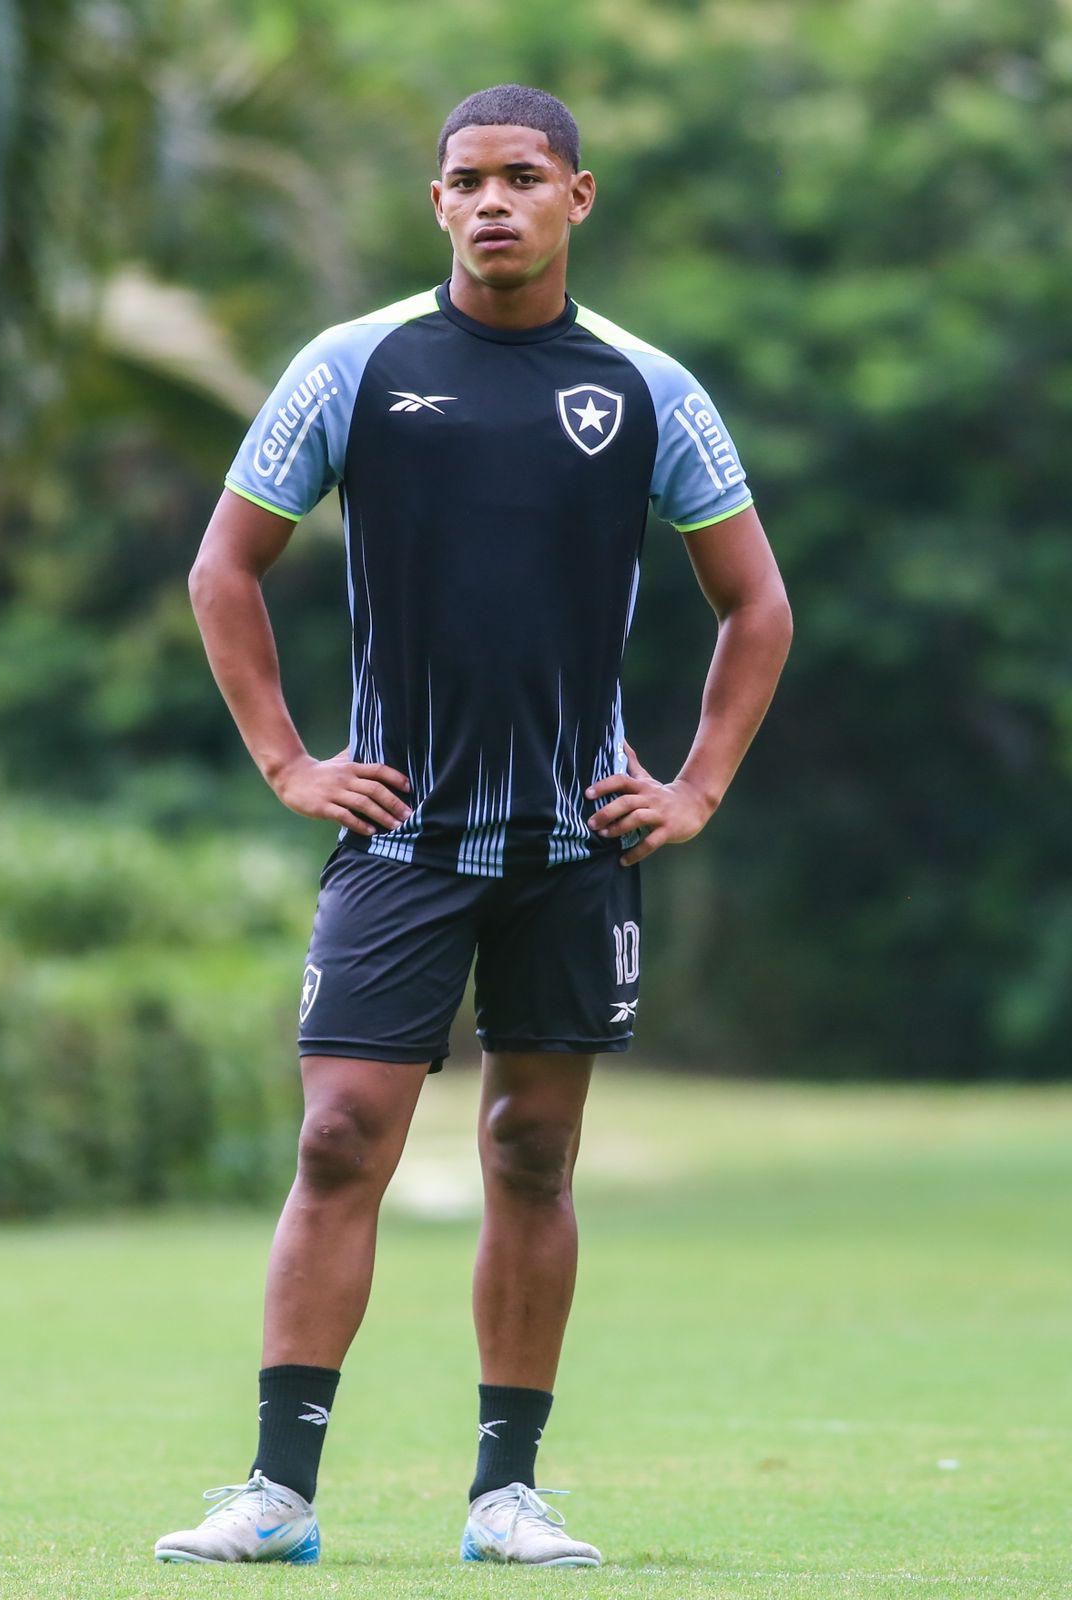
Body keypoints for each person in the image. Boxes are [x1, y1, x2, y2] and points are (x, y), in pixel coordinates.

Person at [155, 82, 792, 1569]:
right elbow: (222, 570)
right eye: (465, 179)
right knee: (338, 1139)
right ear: (436, 202)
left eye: (522, 175)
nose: (492, 200)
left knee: (526, 1153)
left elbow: (755, 603)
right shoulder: (353, 366)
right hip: (400, 838)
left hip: (578, 847)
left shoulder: (647, 389)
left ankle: (507, 1493)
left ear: (579, 196)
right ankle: (278, 1494)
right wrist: (290, 764)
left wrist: (694, 786)